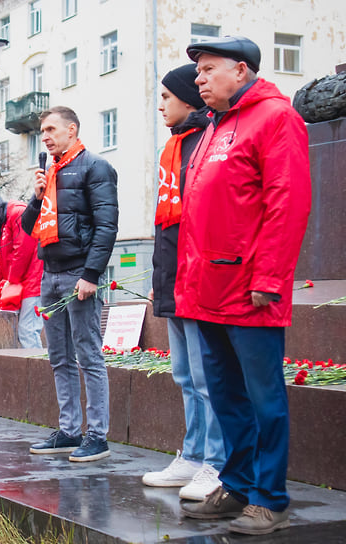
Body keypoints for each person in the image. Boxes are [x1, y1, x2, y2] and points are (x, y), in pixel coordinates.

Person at [175, 36, 311, 536]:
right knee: (227, 396)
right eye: (198, 72)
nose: (199, 79)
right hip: (208, 287)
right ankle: (237, 485)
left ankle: (269, 498)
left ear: (241, 69)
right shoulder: (216, 125)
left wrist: (270, 276)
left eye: (209, 69)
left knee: (262, 397)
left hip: (251, 289)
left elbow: (288, 202)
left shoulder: (275, 117)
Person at [141, 64, 225, 500]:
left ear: (188, 101)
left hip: (197, 280)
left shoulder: (206, 143)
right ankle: (193, 455)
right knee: (185, 376)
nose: (161, 105)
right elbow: (166, 224)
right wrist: (161, 277)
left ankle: (216, 463)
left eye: (166, 98)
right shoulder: (174, 148)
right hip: (174, 278)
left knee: (206, 378)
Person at [21, 106, 118, 462]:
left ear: (72, 130)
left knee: (89, 355)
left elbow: (107, 227)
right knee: (59, 357)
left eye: (50, 129)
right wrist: (36, 195)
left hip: (79, 275)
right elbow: (28, 227)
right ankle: (68, 431)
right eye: (42, 131)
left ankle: (97, 436)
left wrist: (91, 275)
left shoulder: (96, 167)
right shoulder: (50, 172)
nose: (45, 136)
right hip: (51, 275)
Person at [0, 188, 44, 349]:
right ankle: (39, 369)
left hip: (33, 282)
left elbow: (22, 251)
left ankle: (40, 372)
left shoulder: (16, 214)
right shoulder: (4, 222)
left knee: (28, 331)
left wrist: (11, 281)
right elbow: (1, 259)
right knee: (27, 331)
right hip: (26, 283)